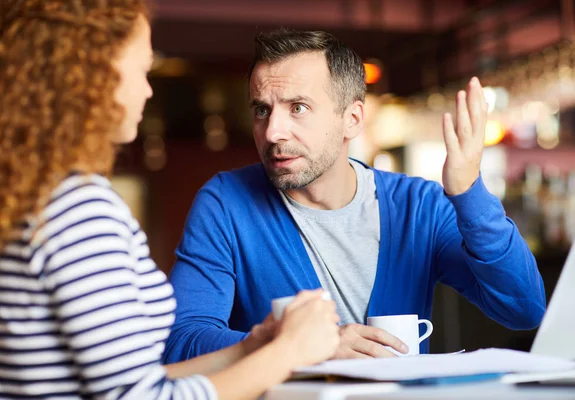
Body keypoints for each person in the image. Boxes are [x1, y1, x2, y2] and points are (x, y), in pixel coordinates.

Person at [0, 3, 340, 399]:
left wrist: (252, 348)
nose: (147, 89)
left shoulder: (36, 196)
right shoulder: (77, 210)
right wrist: (289, 352)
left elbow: (135, 384)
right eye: (142, 69)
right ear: (92, 73)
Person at [164, 29, 546, 362]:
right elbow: (182, 341)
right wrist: (299, 348)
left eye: (298, 108)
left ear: (352, 119)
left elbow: (523, 308)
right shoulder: (226, 203)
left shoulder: (420, 207)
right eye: (262, 110)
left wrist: (469, 193)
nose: (273, 131)